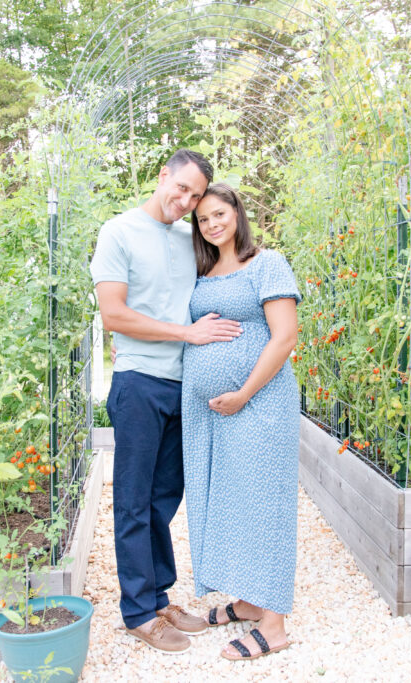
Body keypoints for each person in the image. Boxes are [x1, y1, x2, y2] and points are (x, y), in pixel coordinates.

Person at [90, 150, 243, 655]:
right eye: (180, 189)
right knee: (133, 501)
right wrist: (186, 334)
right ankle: (137, 612)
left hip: (186, 387)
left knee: (163, 499)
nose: (186, 202)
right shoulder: (119, 232)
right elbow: (113, 315)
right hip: (139, 383)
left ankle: (158, 598)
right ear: (162, 177)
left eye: (196, 196)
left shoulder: (188, 236)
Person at [181, 183, 301, 661]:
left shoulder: (266, 263)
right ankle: (251, 600)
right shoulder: (203, 270)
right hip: (214, 415)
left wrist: (244, 392)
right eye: (203, 219)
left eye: (218, 214)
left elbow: (285, 336)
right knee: (233, 501)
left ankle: (273, 626)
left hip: (260, 404)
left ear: (237, 212)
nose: (212, 225)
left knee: (264, 503)